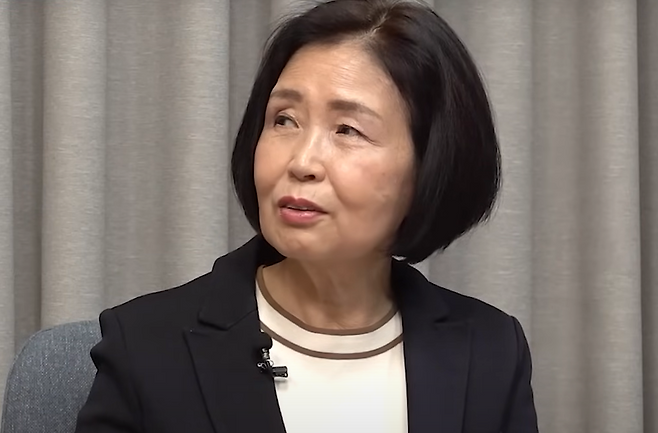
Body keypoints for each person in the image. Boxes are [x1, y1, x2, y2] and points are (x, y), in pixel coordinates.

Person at [75, 0, 538, 432]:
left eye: (347, 130)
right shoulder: (145, 348)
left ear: (433, 163)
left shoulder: (491, 353)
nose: (301, 162)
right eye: (284, 120)